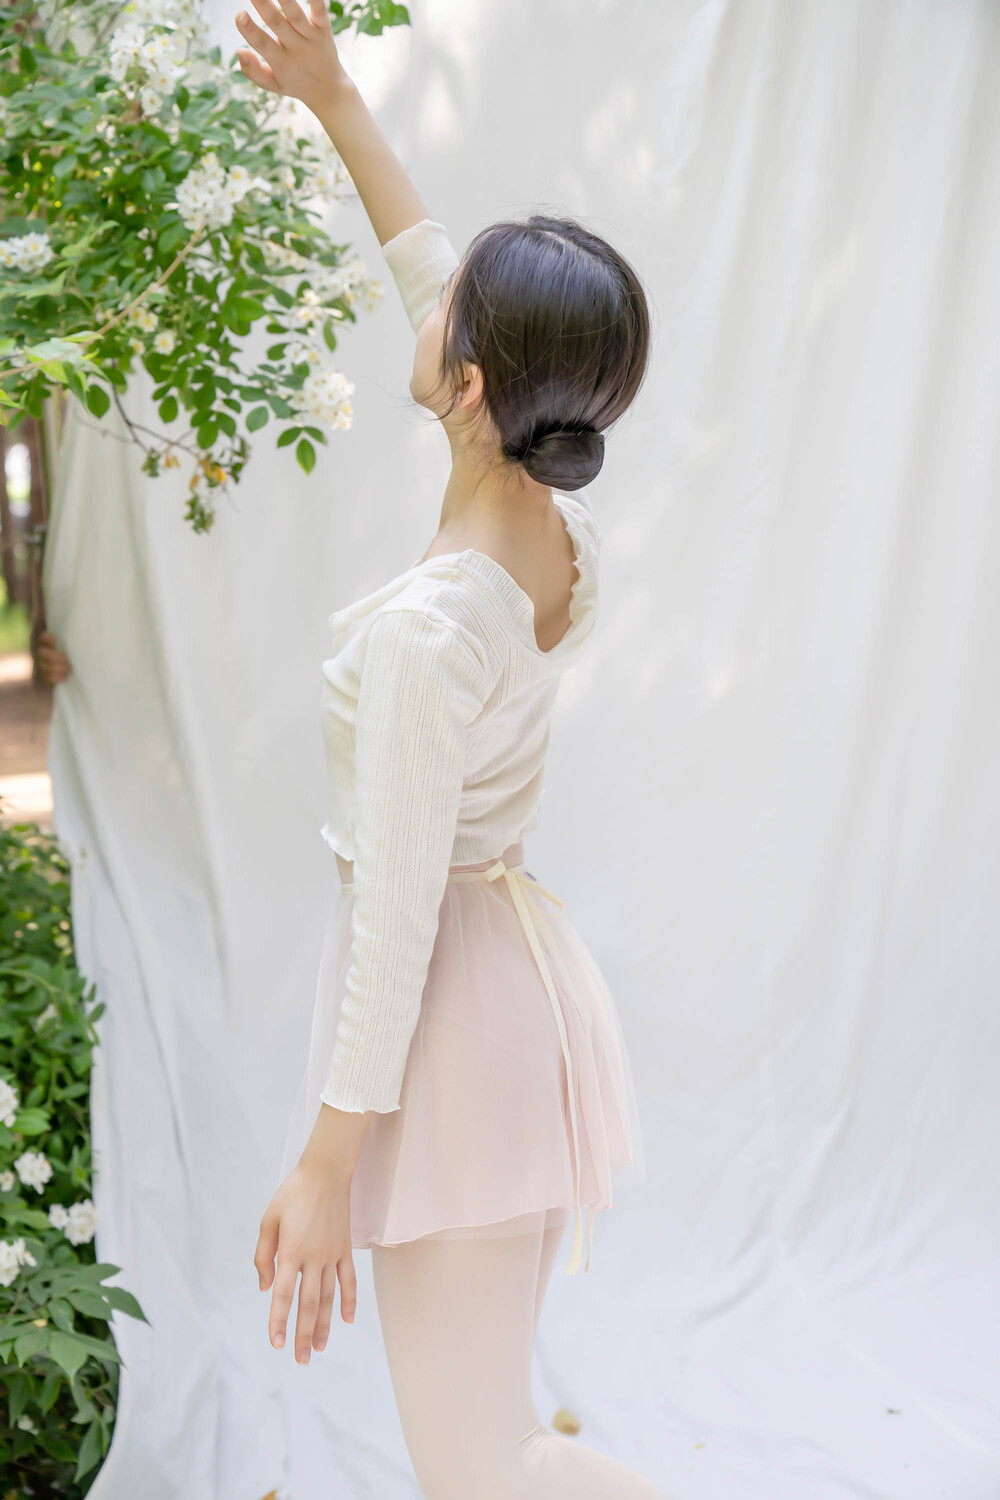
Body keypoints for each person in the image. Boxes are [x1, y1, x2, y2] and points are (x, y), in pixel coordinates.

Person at [237, 4, 665, 1495]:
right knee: (485, 1451)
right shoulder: (555, 529)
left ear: (471, 385)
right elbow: (433, 270)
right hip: (516, 1000)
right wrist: (334, 97)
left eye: (455, 315)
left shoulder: (435, 631)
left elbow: (398, 914)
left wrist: (324, 1163)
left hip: (455, 1029)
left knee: (482, 1465)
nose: (427, 303)